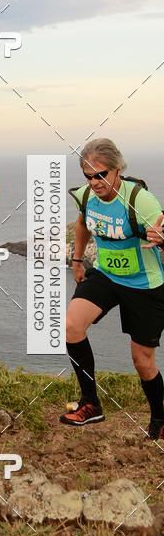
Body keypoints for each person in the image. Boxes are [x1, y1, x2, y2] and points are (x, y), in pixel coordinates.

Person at [60, 138, 164, 441]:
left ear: (117, 169)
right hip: (106, 275)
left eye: (101, 175)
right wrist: (77, 260)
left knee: (142, 361)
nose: (94, 182)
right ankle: (91, 404)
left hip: (144, 283)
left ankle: (159, 415)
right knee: (71, 327)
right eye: (88, 176)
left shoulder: (140, 201)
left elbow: (160, 230)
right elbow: (82, 225)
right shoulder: (85, 196)